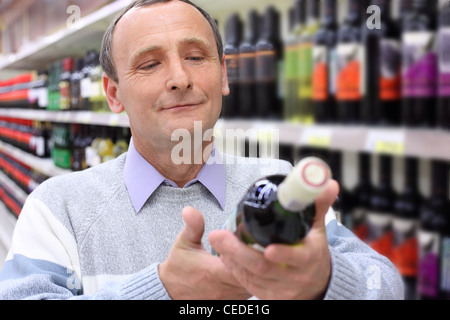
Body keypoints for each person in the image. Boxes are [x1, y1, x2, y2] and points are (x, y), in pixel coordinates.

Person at [0, 0, 404, 300]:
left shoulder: (278, 185)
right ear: (113, 93)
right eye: (150, 64)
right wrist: (163, 290)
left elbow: (385, 285)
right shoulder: (59, 208)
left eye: (195, 57)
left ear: (223, 75)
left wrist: (325, 281)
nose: (179, 78)